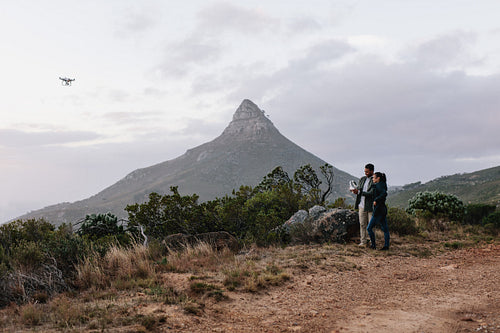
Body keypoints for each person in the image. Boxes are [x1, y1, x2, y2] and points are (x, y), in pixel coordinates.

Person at [351, 163, 374, 247]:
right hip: (361, 205)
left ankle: (372, 242)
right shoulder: (362, 179)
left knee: (371, 225)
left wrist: (359, 192)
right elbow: (359, 189)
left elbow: (371, 193)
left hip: (370, 206)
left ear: (372, 171)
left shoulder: (374, 180)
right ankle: (363, 242)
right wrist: (355, 190)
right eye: (365, 171)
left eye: (367, 172)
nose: (366, 173)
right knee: (362, 224)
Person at [367, 172, 390, 250]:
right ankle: (386, 246)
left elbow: (384, 194)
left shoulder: (379, 185)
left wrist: (376, 200)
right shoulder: (382, 184)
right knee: (385, 229)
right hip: (383, 209)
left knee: (369, 228)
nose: (373, 179)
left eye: (374, 177)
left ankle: (373, 245)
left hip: (378, 210)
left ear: (378, 178)